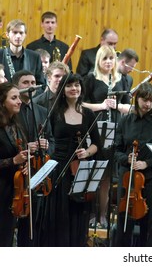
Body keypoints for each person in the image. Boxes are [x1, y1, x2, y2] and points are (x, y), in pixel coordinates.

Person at [41, 73, 100, 246]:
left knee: (77, 212)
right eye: (69, 85)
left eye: (77, 85)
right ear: (63, 89)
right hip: (58, 167)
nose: (74, 89)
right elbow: (47, 139)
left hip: (79, 169)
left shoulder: (88, 113)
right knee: (59, 214)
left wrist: (87, 153)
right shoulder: (53, 112)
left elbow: (97, 144)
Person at [82, 45, 130, 229]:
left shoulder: (122, 80)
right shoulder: (91, 78)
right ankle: (91, 214)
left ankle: (103, 215)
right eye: (105, 59)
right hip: (96, 130)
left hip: (115, 131)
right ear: (98, 61)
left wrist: (117, 106)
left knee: (107, 178)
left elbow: (128, 107)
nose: (109, 62)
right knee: (95, 174)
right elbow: (82, 103)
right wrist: (101, 105)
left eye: (111, 59)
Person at [114, 82, 152, 246]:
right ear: (137, 99)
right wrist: (126, 159)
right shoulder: (125, 121)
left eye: (151, 100)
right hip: (127, 178)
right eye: (144, 100)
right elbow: (116, 149)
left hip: (148, 178)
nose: (148, 104)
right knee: (124, 221)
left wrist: (146, 163)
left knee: (148, 225)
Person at [11, 70, 55, 246]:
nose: (30, 86)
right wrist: (25, 148)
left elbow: (52, 140)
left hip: (38, 171)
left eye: (33, 82)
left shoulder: (42, 111)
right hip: (17, 172)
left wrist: (47, 145)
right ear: (16, 87)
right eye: (25, 83)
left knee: (34, 224)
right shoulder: (12, 110)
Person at [0, 82, 26, 246]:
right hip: (1, 188)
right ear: (2, 101)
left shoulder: (16, 124)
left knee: (7, 235)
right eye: (14, 98)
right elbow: (12, 158)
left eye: (19, 97)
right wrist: (13, 161)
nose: (19, 101)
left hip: (13, 188)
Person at [0, 20, 45, 92]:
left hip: (29, 99)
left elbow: (41, 85)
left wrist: (30, 96)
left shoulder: (34, 57)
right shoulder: (0, 54)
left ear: (25, 35)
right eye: (15, 32)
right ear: (7, 35)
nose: (18, 36)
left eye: (21, 33)